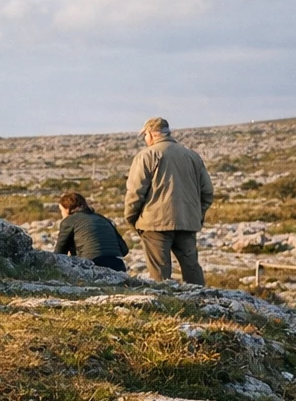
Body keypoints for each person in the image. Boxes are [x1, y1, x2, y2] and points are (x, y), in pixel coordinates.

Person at [124, 116, 213, 285]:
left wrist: (131, 218)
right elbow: (207, 192)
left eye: (145, 135)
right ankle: (201, 302)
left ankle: (166, 306)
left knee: (160, 272)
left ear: (151, 134)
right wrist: (196, 214)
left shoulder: (147, 155)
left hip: (154, 223)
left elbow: (135, 192)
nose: (144, 139)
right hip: (187, 221)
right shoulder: (192, 156)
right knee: (191, 267)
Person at [54, 191, 129, 272]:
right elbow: (124, 250)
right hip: (117, 266)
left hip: (90, 265)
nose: (61, 214)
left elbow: (59, 253)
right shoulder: (103, 219)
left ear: (67, 209)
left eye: (61, 210)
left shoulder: (69, 220)